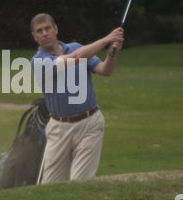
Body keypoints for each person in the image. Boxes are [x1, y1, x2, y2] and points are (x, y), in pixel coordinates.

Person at [30, 13, 124, 184]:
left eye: (47, 28)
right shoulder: (38, 62)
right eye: (39, 31)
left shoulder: (76, 48)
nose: (45, 33)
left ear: (55, 29)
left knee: (80, 183)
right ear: (35, 37)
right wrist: (105, 40)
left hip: (90, 123)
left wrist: (111, 53)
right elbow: (75, 59)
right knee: (50, 187)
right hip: (59, 128)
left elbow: (105, 70)